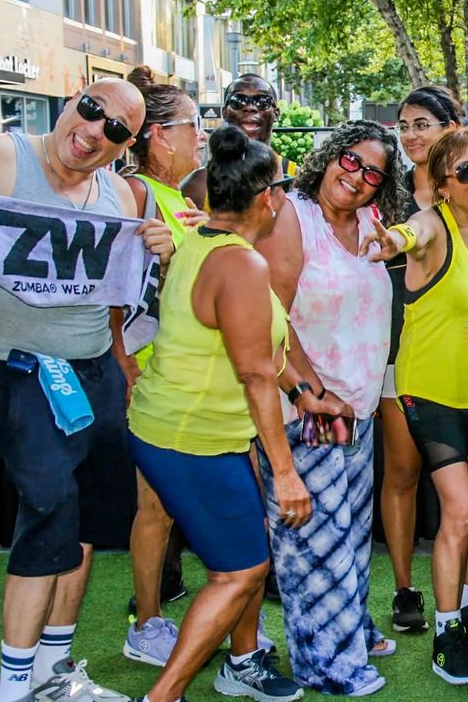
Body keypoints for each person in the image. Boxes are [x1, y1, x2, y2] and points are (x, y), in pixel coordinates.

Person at [0, 79, 174, 702]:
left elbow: (120, 293)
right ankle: (13, 689)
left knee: (83, 523)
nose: (94, 132)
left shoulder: (125, 194)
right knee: (49, 516)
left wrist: (163, 248)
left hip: (95, 374)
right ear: (69, 102)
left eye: (115, 129)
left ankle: (52, 675)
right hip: (23, 369)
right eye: (91, 110)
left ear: (127, 145)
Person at [128, 125, 341, 702]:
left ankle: (243, 661)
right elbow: (254, 375)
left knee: (248, 550)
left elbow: (263, 355)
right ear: (266, 199)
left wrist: (305, 393)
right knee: (241, 571)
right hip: (190, 437)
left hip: (191, 430)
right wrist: (286, 472)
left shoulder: (203, 241)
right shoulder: (240, 265)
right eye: (282, 190)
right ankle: (163, 694)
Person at [252, 121, 408, 694]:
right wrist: (312, 392)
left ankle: (350, 631)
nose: (358, 176)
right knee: (314, 543)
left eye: (374, 173)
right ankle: (327, 665)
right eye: (351, 160)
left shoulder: (371, 223)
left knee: (350, 533)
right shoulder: (292, 216)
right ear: (332, 155)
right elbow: (267, 320)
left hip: (355, 409)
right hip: (309, 409)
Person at [363, 126, 468, 685]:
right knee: (461, 510)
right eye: (466, 171)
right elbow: (410, 234)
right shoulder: (433, 226)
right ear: (443, 186)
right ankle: (446, 636)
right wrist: (392, 241)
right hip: (430, 393)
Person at [121, 65, 210, 668]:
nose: (201, 135)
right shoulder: (134, 193)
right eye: (192, 125)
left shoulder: (182, 198)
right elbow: (111, 293)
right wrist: (126, 369)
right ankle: (146, 622)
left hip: (191, 375)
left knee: (176, 505)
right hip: (153, 376)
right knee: (154, 506)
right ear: (159, 135)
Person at [382, 85, 463, 633]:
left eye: (422, 124)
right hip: (393, 348)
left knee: (464, 486)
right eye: (405, 125)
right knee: (403, 472)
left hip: (460, 356)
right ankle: (404, 588)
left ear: (450, 128)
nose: (412, 135)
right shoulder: (383, 190)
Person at [181, 74, 296, 209]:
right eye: (238, 101)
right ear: (224, 112)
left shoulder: (296, 178)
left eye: (262, 101)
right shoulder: (198, 184)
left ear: (276, 113)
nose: (250, 108)